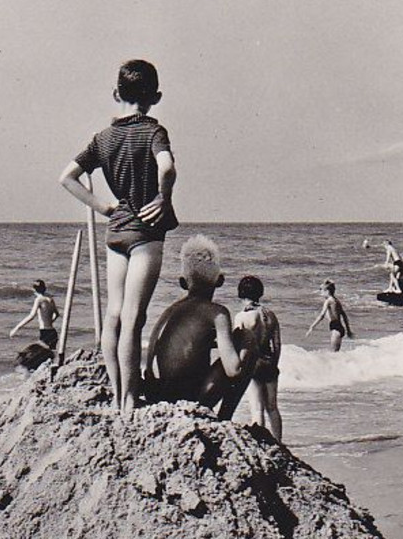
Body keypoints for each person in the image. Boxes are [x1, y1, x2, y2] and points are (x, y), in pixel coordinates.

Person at [59, 59, 178, 417]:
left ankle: (115, 393)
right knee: (133, 317)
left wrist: (103, 208)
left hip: (116, 232)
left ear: (116, 94)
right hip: (145, 233)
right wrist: (163, 198)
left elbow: (66, 177)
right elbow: (168, 166)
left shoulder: (103, 138)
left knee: (113, 315)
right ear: (155, 97)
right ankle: (129, 399)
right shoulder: (155, 131)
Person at [143, 236, 256, 420]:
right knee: (247, 338)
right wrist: (242, 342)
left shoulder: (171, 311)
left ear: (182, 282)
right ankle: (225, 417)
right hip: (189, 400)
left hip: (156, 396)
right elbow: (233, 370)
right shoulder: (217, 313)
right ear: (220, 281)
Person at [234, 275, 282, 441]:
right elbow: (277, 344)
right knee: (273, 408)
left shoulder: (242, 317)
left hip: (253, 364)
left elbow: (238, 344)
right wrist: (274, 364)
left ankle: (261, 442)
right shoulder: (270, 315)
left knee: (257, 408)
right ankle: (278, 442)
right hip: (269, 362)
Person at [9, 280, 59, 350]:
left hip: (45, 332)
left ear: (35, 289)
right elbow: (57, 314)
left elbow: (31, 316)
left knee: (40, 355)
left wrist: (16, 328)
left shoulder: (39, 300)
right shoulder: (50, 299)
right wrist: (50, 321)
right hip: (53, 332)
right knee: (50, 355)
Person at [307, 280, 353, 351]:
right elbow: (344, 315)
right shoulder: (336, 301)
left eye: (321, 290)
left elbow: (322, 315)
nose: (320, 292)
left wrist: (312, 327)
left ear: (327, 291)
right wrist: (348, 330)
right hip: (340, 327)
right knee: (336, 352)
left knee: (334, 352)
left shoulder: (328, 301)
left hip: (335, 328)